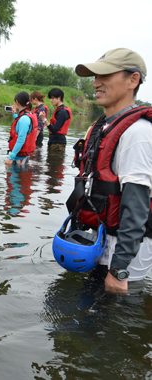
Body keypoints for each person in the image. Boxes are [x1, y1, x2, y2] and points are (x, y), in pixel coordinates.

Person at [69, 48, 150, 293]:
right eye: (95, 77)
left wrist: (119, 270)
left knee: (113, 324)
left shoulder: (138, 134)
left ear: (132, 80)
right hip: (100, 243)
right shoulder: (102, 127)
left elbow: (136, 208)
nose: (95, 84)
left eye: (105, 76)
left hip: (125, 256)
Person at [5, 91, 37, 167]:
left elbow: (21, 139)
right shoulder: (29, 115)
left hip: (19, 159)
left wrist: (10, 157)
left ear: (17, 102)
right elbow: (22, 125)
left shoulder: (24, 119)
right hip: (23, 158)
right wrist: (14, 115)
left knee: (16, 178)